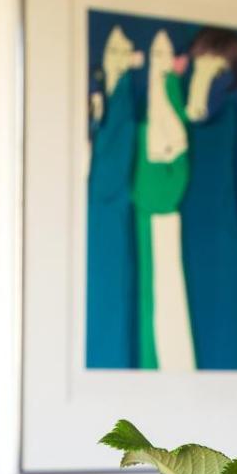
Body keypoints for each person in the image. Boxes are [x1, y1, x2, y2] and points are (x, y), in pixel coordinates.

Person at [132, 29, 194, 370]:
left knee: (167, 292)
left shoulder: (170, 105)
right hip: (147, 215)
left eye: (164, 57)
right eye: (156, 57)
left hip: (163, 215)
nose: (160, 64)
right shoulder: (145, 113)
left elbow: (178, 165)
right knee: (151, 296)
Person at [86, 26, 143, 367]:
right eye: (112, 52)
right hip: (99, 212)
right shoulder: (104, 98)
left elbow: (115, 166)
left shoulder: (123, 103)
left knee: (112, 294)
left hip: (111, 212)